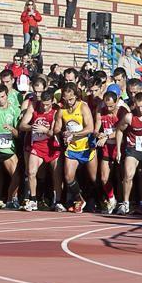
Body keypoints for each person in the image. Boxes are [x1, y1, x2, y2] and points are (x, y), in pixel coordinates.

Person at [53, 82, 95, 213]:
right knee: (68, 177)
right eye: (65, 99)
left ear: (76, 96)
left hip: (86, 147)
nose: (69, 102)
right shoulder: (62, 110)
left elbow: (90, 128)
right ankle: (79, 198)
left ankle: (94, 201)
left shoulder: (83, 107)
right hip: (72, 148)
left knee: (93, 178)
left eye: (71, 99)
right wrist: (62, 133)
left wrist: (74, 134)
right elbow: (57, 128)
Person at [18, 90, 63, 212]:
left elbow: (54, 132)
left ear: (52, 101)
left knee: (56, 175)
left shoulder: (56, 111)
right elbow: (22, 125)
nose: (45, 107)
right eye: (43, 104)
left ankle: (58, 201)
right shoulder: (34, 106)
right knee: (31, 172)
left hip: (52, 147)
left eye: (47, 104)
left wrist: (44, 130)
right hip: (37, 146)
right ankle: (33, 200)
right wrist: (32, 127)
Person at [94, 90, 125, 214]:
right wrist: (99, 134)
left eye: (111, 106)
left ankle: (123, 201)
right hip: (107, 148)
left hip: (120, 148)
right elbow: (95, 129)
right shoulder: (100, 111)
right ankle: (111, 199)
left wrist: (106, 137)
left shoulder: (122, 111)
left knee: (121, 176)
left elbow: (121, 130)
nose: (109, 108)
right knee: (104, 177)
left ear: (116, 102)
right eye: (106, 105)